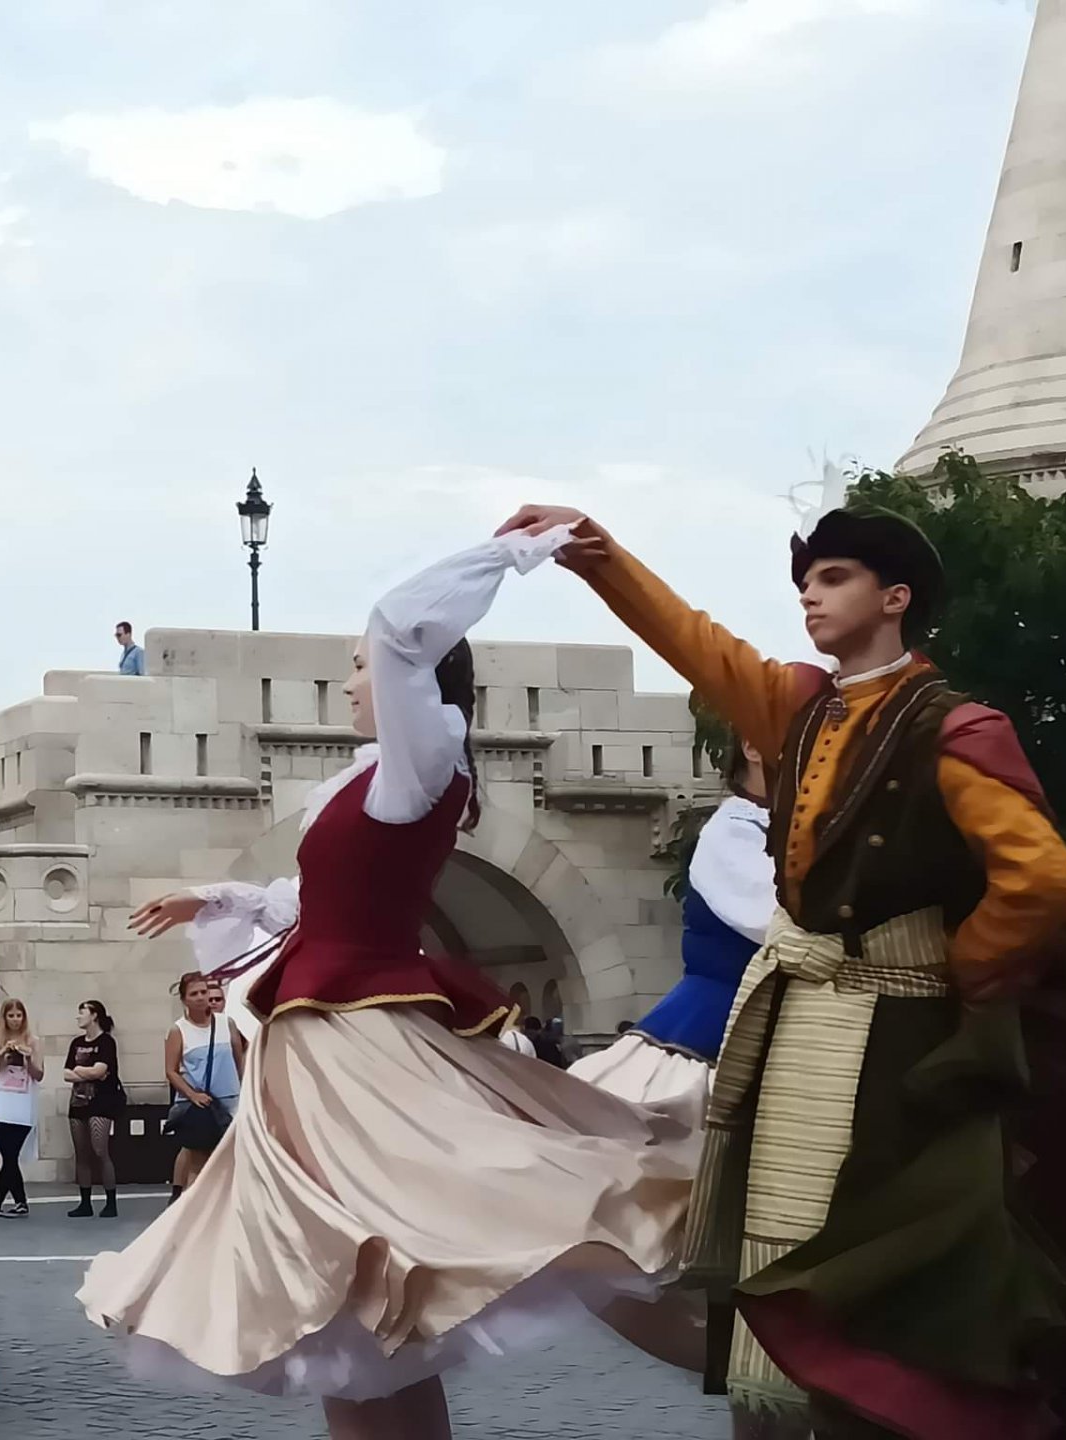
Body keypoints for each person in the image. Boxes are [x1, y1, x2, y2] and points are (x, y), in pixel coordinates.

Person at [87, 529, 696, 1440]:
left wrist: (507, 554)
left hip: (353, 1048)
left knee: (360, 1265)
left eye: (359, 669)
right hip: (318, 1044)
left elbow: (401, 627)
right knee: (348, 1297)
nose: (349, 684)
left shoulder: (422, 765)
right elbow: (315, 901)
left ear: (413, 679)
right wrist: (215, 898)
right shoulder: (369, 781)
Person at [498, 501, 1066, 1438]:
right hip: (799, 1028)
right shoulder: (801, 707)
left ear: (896, 598)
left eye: (834, 578)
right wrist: (596, 555)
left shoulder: (952, 728)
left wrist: (958, 972)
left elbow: (1041, 881)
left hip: (905, 1041)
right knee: (778, 1241)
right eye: (805, 582)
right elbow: (695, 643)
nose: (810, 597)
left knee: (898, 1271)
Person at [571, 737, 772, 1127]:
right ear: (753, 747)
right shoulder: (733, 831)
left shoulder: (796, 828)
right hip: (709, 1039)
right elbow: (779, 920)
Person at [164, 971, 244, 1200]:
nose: (201, 997)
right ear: (184, 999)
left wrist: (245, 1090)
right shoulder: (179, 1030)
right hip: (200, 1104)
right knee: (198, 1164)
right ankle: (192, 1209)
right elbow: (171, 1070)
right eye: (194, 994)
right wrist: (192, 1095)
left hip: (230, 1101)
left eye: (203, 992)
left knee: (232, 1160)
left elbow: (238, 1060)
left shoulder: (226, 1023)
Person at [63, 1000, 124, 1218]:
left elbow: (100, 1071)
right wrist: (86, 1071)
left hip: (101, 1102)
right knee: (82, 1153)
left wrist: (79, 1070)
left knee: (100, 1150)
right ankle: (85, 1202)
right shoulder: (77, 1043)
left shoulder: (106, 1042)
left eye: (82, 1012)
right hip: (78, 1102)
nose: (78, 1017)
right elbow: (66, 1073)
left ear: (94, 1015)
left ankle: (110, 1201)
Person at [0, 999, 43, 1218]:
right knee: (8, 1156)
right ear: (4, 1018)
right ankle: (19, 1203)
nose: (15, 1020)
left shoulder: (34, 1041)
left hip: (23, 1106)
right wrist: (2, 1056)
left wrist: (27, 1058)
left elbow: (39, 1074)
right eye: (11, 1015)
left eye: (19, 1015)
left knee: (11, 1156)